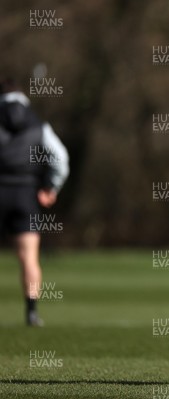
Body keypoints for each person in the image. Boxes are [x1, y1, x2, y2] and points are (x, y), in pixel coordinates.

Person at [0, 78, 69, 326]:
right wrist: (51, 187)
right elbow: (59, 158)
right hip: (25, 193)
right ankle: (31, 312)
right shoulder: (37, 123)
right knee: (29, 257)